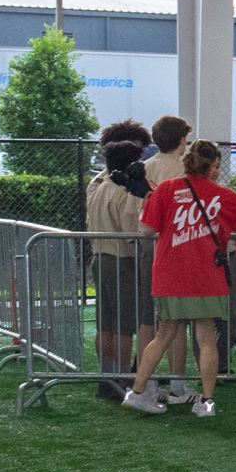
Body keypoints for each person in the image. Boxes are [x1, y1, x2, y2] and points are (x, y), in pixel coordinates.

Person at [123, 141, 236, 419]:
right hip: (207, 276)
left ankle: (137, 391)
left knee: (163, 335)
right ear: (212, 166)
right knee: (206, 337)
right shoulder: (221, 194)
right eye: (218, 165)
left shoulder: (167, 190)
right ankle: (206, 401)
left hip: (170, 275)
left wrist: (151, 199)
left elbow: (146, 229)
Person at [87, 139, 151, 401]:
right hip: (121, 259)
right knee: (124, 325)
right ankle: (123, 377)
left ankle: (107, 376)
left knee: (105, 323)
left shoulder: (99, 188)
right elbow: (131, 232)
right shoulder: (124, 193)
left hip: (100, 256)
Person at [140, 115, 197, 402]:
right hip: (179, 251)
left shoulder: (146, 168)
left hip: (150, 247)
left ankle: (146, 382)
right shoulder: (183, 171)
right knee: (177, 323)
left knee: (151, 321)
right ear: (181, 139)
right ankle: (177, 383)